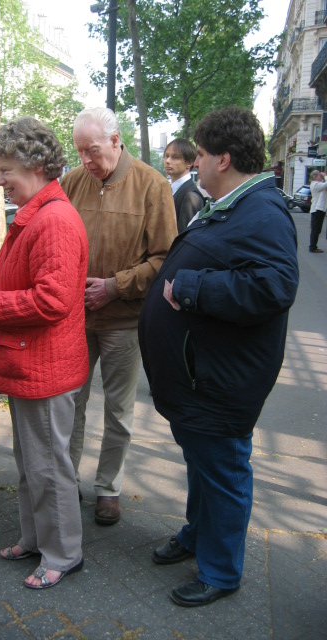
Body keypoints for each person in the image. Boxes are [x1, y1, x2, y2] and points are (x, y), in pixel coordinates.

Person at [138, 106, 299, 607]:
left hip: (219, 380)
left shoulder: (262, 211)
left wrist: (191, 287)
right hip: (200, 374)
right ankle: (197, 534)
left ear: (223, 159)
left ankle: (221, 571)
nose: (196, 162)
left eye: (202, 154)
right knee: (203, 464)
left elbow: (275, 286)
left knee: (223, 471)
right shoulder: (236, 203)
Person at [0, 117, 89, 590]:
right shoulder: (38, 213)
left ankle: (63, 554)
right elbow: (14, 278)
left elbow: (51, 301)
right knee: (34, 465)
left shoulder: (53, 220)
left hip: (44, 368)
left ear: (36, 165)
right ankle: (36, 540)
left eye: (6, 169)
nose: (0, 179)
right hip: (32, 365)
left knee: (48, 468)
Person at [61, 107, 178, 526]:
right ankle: (65, 481)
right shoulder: (72, 182)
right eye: (79, 152)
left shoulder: (152, 185)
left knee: (118, 409)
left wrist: (114, 286)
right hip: (75, 318)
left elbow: (165, 258)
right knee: (69, 404)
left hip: (124, 320)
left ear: (115, 140)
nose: (85, 160)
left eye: (92, 150)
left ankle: (108, 488)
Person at [163, 138, 205, 232]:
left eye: (175, 157)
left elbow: (186, 236)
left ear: (189, 163)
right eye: (166, 156)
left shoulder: (191, 197)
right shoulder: (168, 191)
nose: (167, 161)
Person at [308, 169, 327, 253]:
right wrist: (325, 176)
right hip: (317, 209)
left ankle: (313, 246)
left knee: (317, 229)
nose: (321, 176)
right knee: (315, 229)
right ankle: (312, 247)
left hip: (320, 209)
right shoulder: (315, 185)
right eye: (319, 175)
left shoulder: (319, 184)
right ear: (315, 177)